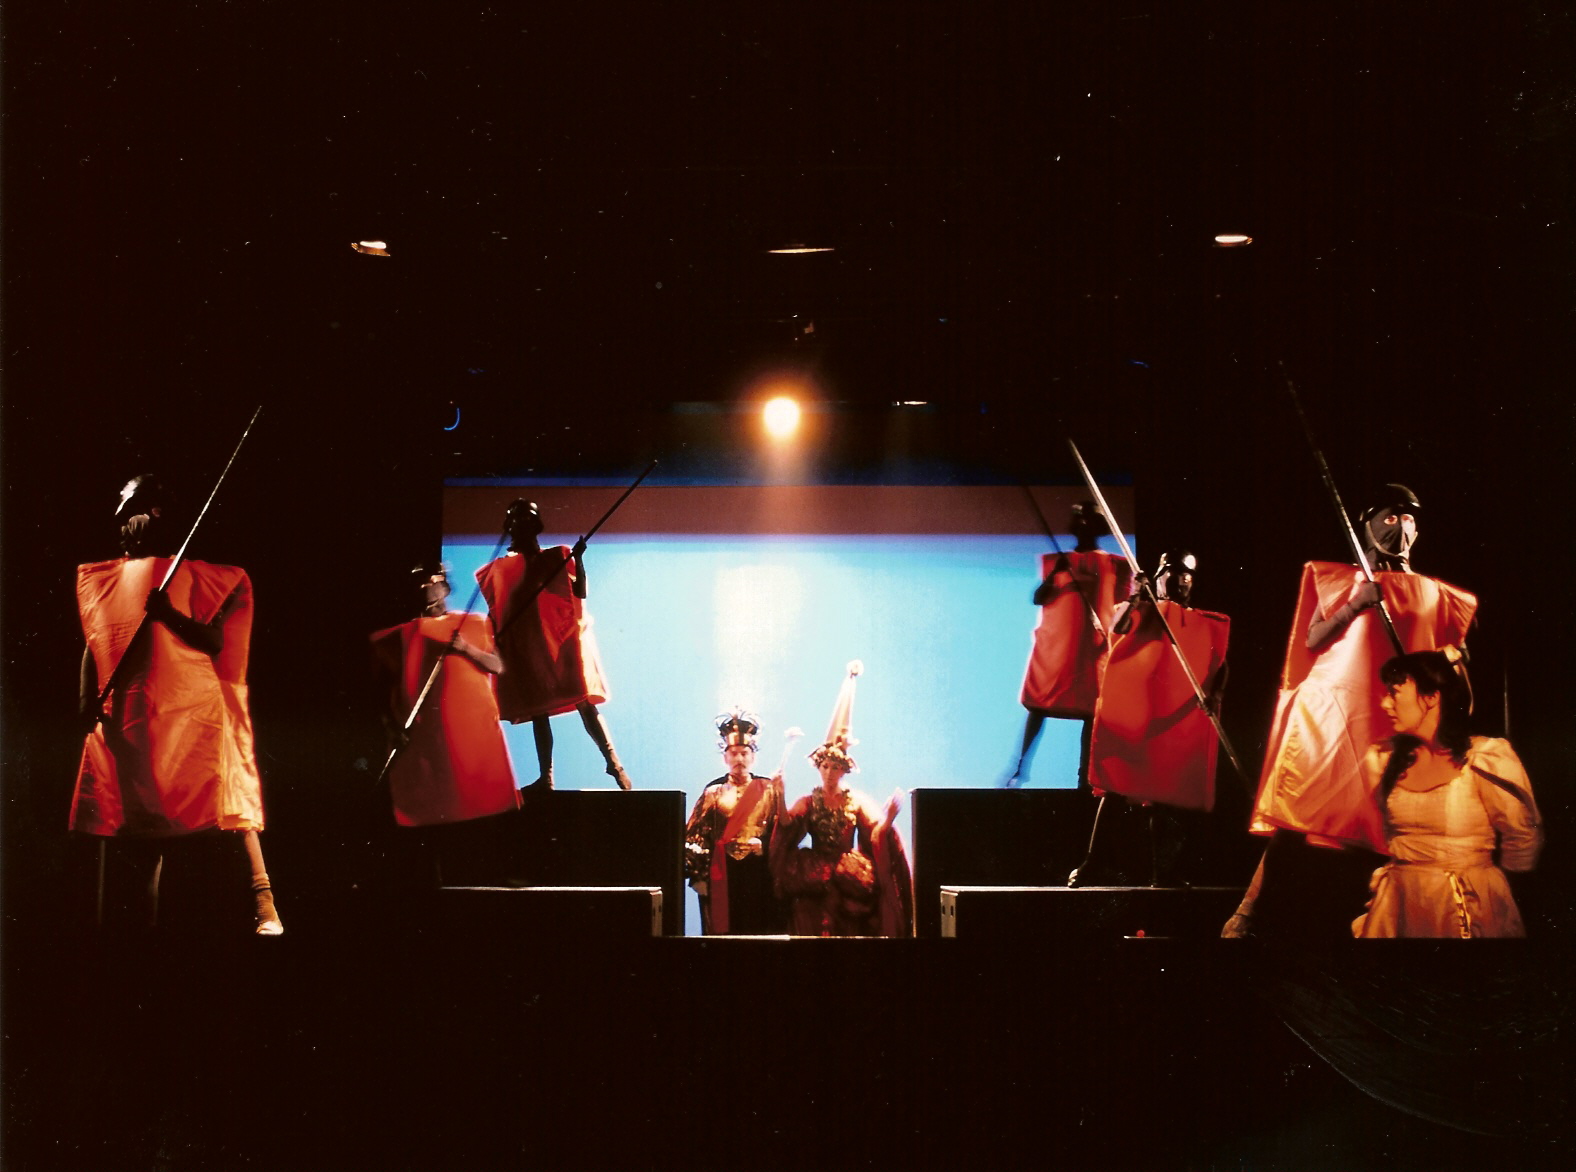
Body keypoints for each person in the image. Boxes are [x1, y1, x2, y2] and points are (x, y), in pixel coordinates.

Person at [1225, 485, 1477, 938]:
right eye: (1389, 517)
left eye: (1408, 519)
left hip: (1397, 721)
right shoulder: (1342, 580)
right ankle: (1248, 912)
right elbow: (1313, 638)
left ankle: (1378, 928)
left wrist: (1453, 664)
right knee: (1301, 813)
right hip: (1336, 715)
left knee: (1392, 827)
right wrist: (1355, 604)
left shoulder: (1436, 593)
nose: (1399, 527)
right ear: (1368, 525)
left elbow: (1448, 659)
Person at [70, 475, 283, 935]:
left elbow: (213, 640)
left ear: (156, 514)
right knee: (139, 821)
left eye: (134, 514)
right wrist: (87, 699)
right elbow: (95, 640)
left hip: (189, 710)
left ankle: (263, 901)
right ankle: (130, 933)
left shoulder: (198, 577)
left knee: (225, 800)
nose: (126, 524)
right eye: (124, 518)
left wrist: (168, 614)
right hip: (131, 716)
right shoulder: (107, 581)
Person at [1351, 650, 1540, 937]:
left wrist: (1494, 895)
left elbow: (1522, 839)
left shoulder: (1483, 759)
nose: (1385, 703)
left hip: (1466, 907)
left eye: (1394, 693)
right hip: (1400, 906)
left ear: (1431, 697)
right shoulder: (1385, 759)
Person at [1073, 550, 1229, 886]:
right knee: (1116, 790)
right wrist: (1135, 596)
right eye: (1174, 576)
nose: (1181, 583)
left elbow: (1220, 663)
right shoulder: (1144, 609)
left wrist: (1214, 695)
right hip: (1137, 717)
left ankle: (1163, 875)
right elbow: (1118, 628)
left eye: (1187, 578)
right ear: (1160, 578)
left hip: (1169, 722)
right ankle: (1093, 862)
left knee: (1162, 798)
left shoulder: (1200, 622)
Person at [475, 499, 632, 790]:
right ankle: (546, 777)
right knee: (538, 709)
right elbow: (497, 613)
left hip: (562, 641)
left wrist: (579, 560)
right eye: (517, 525)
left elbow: (580, 591)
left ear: (534, 527)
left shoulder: (555, 558)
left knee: (583, 701)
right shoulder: (501, 570)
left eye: (526, 524)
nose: (522, 530)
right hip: (530, 648)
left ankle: (613, 763)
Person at [370, 563, 519, 861]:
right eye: (419, 583)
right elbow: (380, 692)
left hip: (473, 728)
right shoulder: (399, 635)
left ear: (446, 588)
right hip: (430, 732)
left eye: (432, 581)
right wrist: (391, 727)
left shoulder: (474, 623)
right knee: (435, 804)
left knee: (479, 796)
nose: (425, 587)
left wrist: (465, 648)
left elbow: (497, 666)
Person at [770, 662, 913, 937]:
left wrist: (889, 818)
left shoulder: (855, 802)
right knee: (808, 920)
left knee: (848, 926)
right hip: (815, 876)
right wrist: (780, 795)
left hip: (849, 877)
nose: (829, 773)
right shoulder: (809, 801)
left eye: (835, 767)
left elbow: (876, 834)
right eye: (825, 766)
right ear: (818, 767)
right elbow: (787, 824)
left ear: (844, 770)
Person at [1007, 501, 1134, 787]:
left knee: (1091, 710)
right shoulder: (1057, 561)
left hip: (1093, 646)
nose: (1085, 527)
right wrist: (1056, 574)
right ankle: (1020, 766)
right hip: (1057, 646)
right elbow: (1038, 598)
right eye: (1081, 522)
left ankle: (1084, 778)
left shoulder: (1117, 565)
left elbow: (1122, 606)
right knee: (1039, 704)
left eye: (1091, 523)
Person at [683, 709, 787, 935]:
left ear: (753, 757)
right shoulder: (713, 792)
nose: (739, 759)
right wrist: (698, 877)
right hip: (723, 872)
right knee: (725, 932)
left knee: (758, 930)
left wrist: (765, 845)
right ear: (725, 757)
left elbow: (783, 831)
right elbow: (694, 836)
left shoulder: (768, 789)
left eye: (744, 753)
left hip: (758, 874)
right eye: (734, 753)